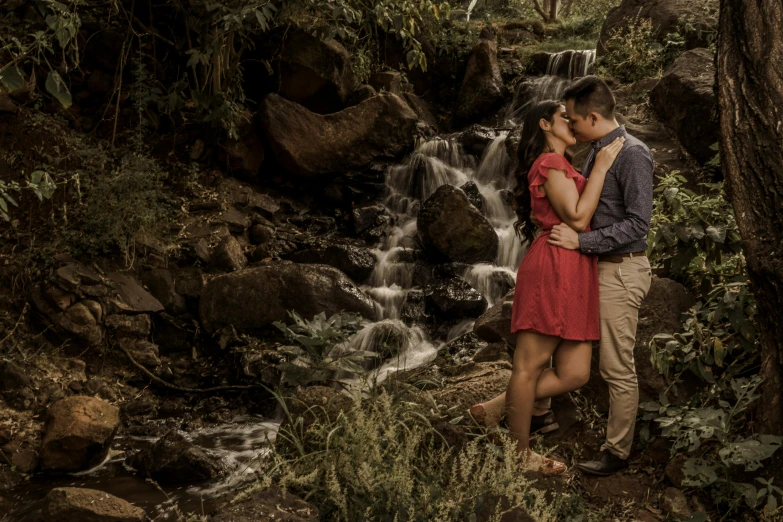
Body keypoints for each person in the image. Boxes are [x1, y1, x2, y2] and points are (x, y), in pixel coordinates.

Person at [471, 99, 624, 475]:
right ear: (543, 124)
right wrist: (602, 167)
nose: (571, 122)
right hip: (555, 264)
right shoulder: (550, 163)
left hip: (577, 267)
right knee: (529, 365)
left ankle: (493, 409)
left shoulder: (564, 164)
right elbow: (576, 217)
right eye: (563, 117)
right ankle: (519, 454)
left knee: (576, 373)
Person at [548, 76, 654, 476]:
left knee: (615, 366)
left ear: (593, 116)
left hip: (620, 270)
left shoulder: (633, 154)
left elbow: (638, 225)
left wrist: (583, 241)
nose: (570, 126)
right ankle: (538, 410)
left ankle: (618, 452)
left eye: (574, 120)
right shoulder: (598, 150)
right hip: (596, 267)